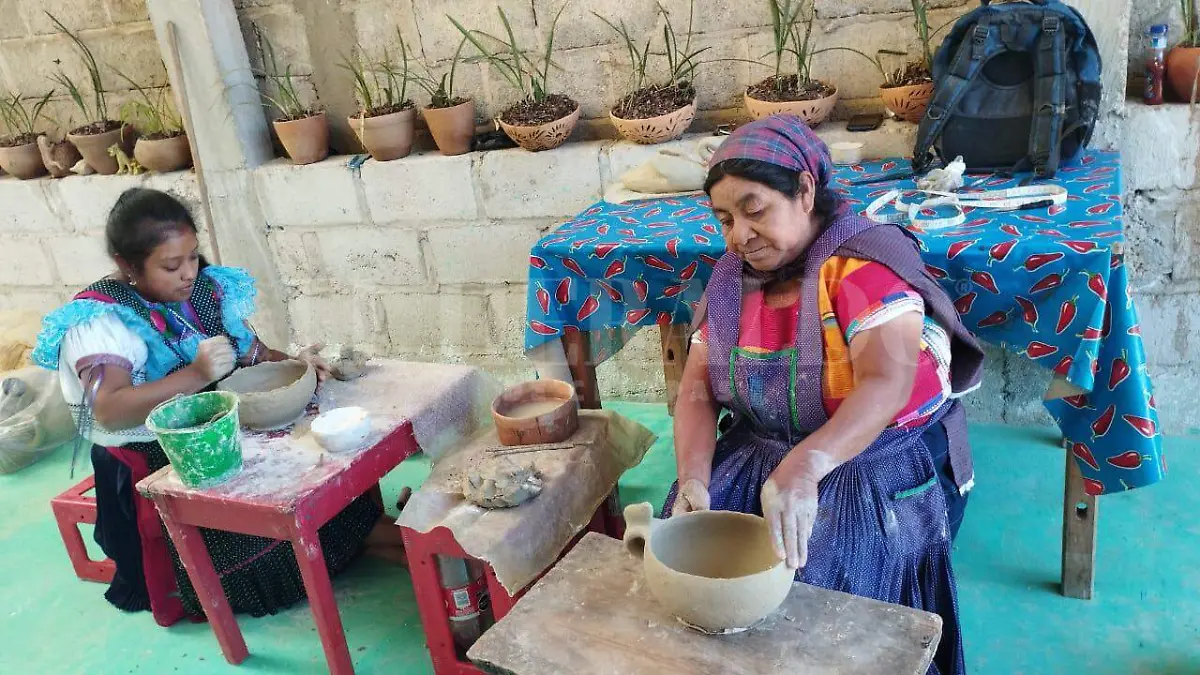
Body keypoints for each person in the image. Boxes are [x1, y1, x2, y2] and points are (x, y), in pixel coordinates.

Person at [665, 116, 984, 675]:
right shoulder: (730, 281)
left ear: (805, 190)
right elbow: (696, 391)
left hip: (874, 456)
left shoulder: (863, 267)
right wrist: (693, 475)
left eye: (754, 208)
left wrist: (807, 463)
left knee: (825, 582)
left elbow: (887, 383)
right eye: (724, 219)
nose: (738, 235)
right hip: (766, 447)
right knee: (691, 539)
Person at [33, 188, 405, 626]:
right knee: (267, 536)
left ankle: (392, 538)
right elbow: (110, 409)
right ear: (127, 265)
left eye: (192, 256)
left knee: (317, 464)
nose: (189, 272)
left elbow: (253, 354)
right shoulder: (99, 322)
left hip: (215, 427)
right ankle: (398, 541)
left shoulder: (205, 289)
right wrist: (194, 374)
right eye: (172, 265)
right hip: (154, 457)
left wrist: (298, 364)